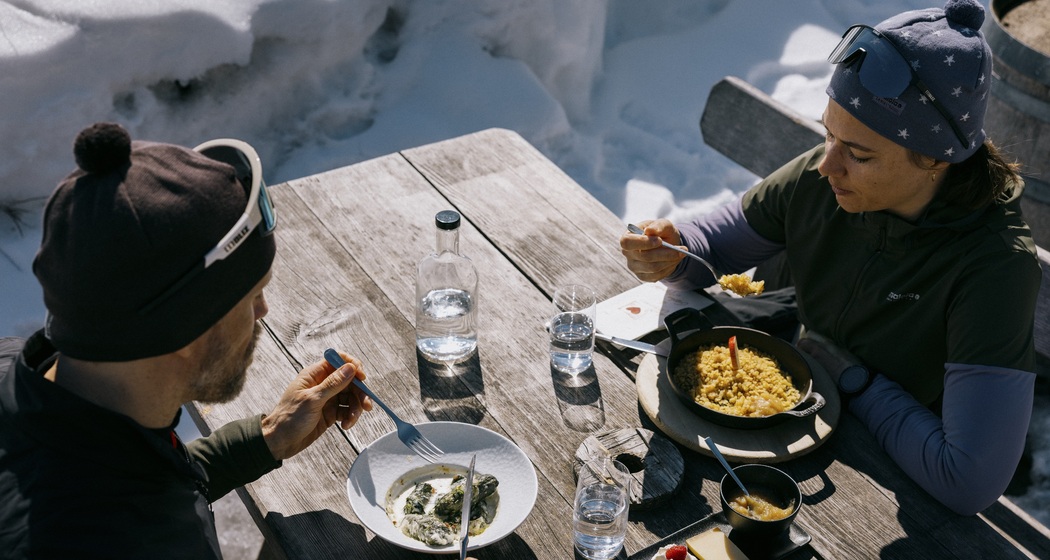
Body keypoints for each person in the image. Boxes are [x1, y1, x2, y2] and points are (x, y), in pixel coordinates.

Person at [620, 0, 1040, 516]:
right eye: (828, 135)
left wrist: (851, 377)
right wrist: (670, 251)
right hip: (779, 423)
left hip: (884, 473)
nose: (826, 165)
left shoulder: (994, 268)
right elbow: (713, 244)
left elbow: (968, 481)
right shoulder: (829, 177)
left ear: (934, 157)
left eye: (858, 154)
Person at [0, 122, 375, 558]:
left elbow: (127, 479)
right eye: (251, 296)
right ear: (182, 327)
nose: (263, 312)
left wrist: (265, 437)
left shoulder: (24, 376)